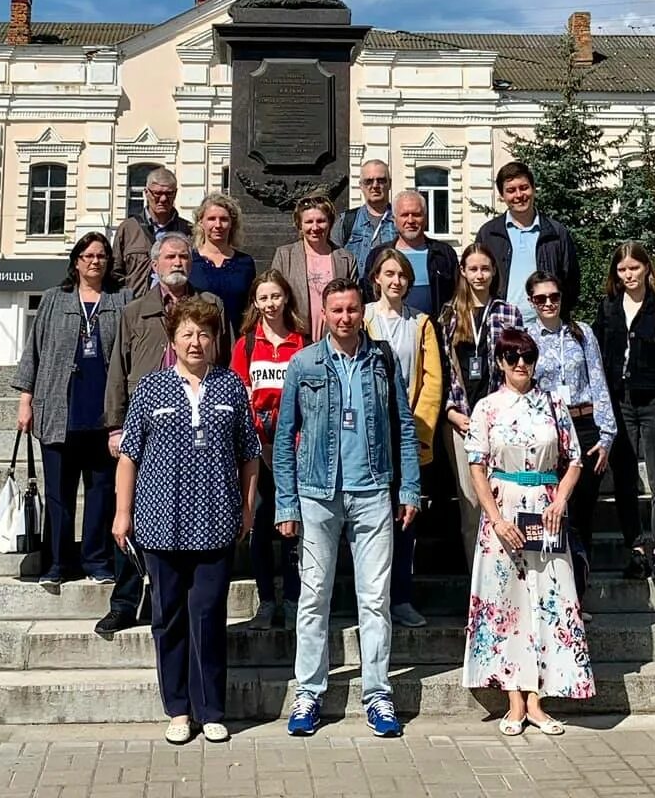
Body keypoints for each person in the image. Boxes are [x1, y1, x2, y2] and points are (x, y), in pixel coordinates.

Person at [273, 279, 421, 739]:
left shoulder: (382, 360)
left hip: (373, 490)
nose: (344, 318)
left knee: (374, 600)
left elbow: (403, 426)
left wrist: (409, 488)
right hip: (317, 494)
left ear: (363, 312)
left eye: (352, 309)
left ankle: (377, 692)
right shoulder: (304, 363)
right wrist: (286, 502)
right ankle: (309, 692)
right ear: (325, 312)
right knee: (314, 596)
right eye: (336, 310)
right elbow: (283, 438)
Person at [113, 294, 260, 745]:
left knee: (209, 616)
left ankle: (211, 708)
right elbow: (129, 457)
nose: (196, 342)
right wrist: (123, 514)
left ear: (216, 339)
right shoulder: (150, 389)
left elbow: (250, 455)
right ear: (173, 340)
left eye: (204, 334)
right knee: (169, 618)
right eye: (187, 334)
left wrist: (248, 508)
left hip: (216, 520)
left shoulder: (231, 387)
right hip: (160, 522)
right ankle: (178, 709)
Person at [462, 325, 594, 735]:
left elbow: (574, 459)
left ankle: (539, 698)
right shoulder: (486, 407)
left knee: (548, 598)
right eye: (513, 358)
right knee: (507, 604)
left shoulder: (554, 403)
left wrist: (561, 499)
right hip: (503, 512)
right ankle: (514, 699)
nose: (522, 365)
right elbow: (476, 466)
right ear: (500, 362)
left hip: (545, 510)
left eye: (528, 358)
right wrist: (496, 519)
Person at [97, 232, 229, 638]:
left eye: (185, 256)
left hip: (198, 428)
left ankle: (170, 604)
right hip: (147, 427)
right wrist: (116, 425)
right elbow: (118, 370)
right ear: (153, 264)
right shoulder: (135, 311)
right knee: (133, 519)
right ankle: (124, 602)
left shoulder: (211, 307)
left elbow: (221, 358)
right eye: (169, 256)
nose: (178, 262)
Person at [13, 231, 127, 591]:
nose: (96, 261)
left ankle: (96, 559)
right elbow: (34, 351)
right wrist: (25, 400)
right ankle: (57, 563)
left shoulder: (122, 300)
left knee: (100, 492)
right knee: (59, 494)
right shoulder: (52, 299)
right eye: (89, 255)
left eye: (102, 256)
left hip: (103, 416)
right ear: (76, 261)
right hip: (58, 410)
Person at [594, 242, 655, 579]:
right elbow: (598, 359)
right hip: (620, 404)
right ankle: (635, 550)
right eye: (622, 270)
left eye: (634, 268)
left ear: (647, 268)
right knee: (625, 483)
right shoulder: (608, 309)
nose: (629, 275)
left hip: (652, 405)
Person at [363, 247, 443, 628]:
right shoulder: (361, 318)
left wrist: (417, 427)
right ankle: (372, 603)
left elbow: (432, 380)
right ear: (376, 277)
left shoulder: (421, 323)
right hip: (367, 436)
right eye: (389, 274)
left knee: (405, 518)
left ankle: (401, 598)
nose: (396, 281)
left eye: (403, 275)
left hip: (407, 433)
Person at [525, 271, 615, 595]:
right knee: (550, 509)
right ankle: (552, 592)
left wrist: (606, 435)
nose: (548, 303)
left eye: (554, 297)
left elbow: (598, 382)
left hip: (584, 422)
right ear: (531, 301)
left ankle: (578, 592)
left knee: (581, 513)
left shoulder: (582, 334)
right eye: (541, 298)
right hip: (548, 428)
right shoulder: (527, 336)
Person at [439, 242, 526, 557]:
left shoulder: (508, 313)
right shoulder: (449, 315)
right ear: (463, 271)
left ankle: (509, 574)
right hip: (461, 422)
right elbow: (443, 371)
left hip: (501, 419)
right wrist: (450, 412)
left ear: (493, 272)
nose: (479, 275)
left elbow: (520, 367)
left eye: (485, 269)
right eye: (473, 269)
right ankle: (479, 583)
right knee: (473, 503)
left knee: (504, 495)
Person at [232, 270, 308, 627]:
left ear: (286, 298)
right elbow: (237, 394)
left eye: (276, 296)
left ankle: (293, 599)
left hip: (294, 452)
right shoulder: (246, 344)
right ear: (256, 302)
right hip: (257, 452)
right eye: (263, 297)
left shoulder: (302, 342)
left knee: (293, 529)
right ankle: (266, 601)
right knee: (261, 526)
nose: (270, 303)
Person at [474, 160, 582, 318]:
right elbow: (477, 279)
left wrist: (557, 316)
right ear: (502, 196)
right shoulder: (489, 234)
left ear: (534, 189)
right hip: (502, 324)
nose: (519, 195)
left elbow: (571, 281)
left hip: (545, 325)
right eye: (511, 190)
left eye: (524, 188)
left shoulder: (556, 233)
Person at [270, 191, 357, 335]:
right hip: (295, 336)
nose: (315, 227)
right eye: (309, 222)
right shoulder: (285, 256)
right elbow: (274, 296)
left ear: (330, 223)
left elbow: (353, 301)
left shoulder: (346, 259)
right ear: (299, 225)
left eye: (321, 221)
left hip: (336, 337)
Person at [114, 166, 192, 294]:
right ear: (146, 192)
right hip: (136, 309)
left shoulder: (189, 231)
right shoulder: (128, 229)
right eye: (157, 193)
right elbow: (115, 274)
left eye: (168, 193)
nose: (163, 199)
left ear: (176, 193)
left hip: (178, 308)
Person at [190, 191, 257, 326]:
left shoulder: (245, 263)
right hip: (199, 337)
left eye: (224, 219)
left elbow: (250, 307)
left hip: (237, 339)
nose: (218, 225)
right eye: (211, 219)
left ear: (232, 223)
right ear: (201, 222)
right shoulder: (190, 261)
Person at [386, 189, 458, 316]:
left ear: (425, 218)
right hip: (390, 333)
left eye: (416, 214)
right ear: (394, 220)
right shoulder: (380, 256)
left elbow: (457, 296)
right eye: (404, 215)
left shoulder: (444, 254)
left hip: (435, 332)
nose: (410, 220)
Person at [334, 159, 397, 275]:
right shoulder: (345, 221)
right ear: (361, 186)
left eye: (381, 180)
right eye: (369, 181)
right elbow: (333, 264)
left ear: (390, 184)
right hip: (357, 291)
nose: (375, 186)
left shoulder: (400, 221)